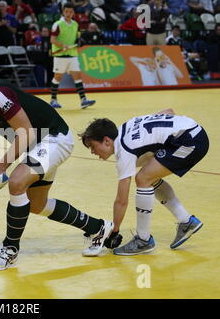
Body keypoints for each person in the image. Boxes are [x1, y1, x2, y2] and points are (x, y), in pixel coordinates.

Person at [0, 60, 114, 271]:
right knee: (37, 204)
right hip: (35, 146)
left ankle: (10, 249)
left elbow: (26, 130)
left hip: (54, 137)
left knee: (17, 182)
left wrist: (1, 168)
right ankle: (98, 227)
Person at [79, 109, 209, 255]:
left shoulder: (124, 151)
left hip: (190, 142)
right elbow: (169, 111)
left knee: (143, 179)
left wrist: (114, 231)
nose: (92, 152)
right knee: (148, 174)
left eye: (92, 146)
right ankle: (186, 221)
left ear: (107, 141)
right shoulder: (125, 127)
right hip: (192, 131)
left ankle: (143, 240)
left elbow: (121, 201)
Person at [49, 3, 95, 109]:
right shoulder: (58, 24)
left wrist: (80, 41)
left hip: (72, 54)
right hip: (60, 55)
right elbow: (52, 40)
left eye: (70, 12)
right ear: (63, 12)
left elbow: (77, 38)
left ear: (73, 13)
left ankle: (83, 100)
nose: (68, 14)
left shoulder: (75, 24)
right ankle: (53, 100)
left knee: (77, 76)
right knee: (58, 77)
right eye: (66, 12)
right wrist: (63, 45)